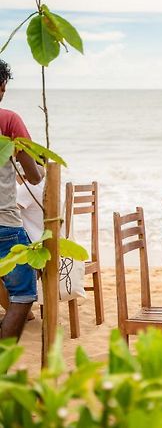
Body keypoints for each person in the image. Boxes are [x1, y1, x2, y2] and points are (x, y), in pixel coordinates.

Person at [0, 59, 43, 340]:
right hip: (4, 223)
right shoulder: (8, 119)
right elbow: (35, 176)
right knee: (23, 293)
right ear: (2, 87)